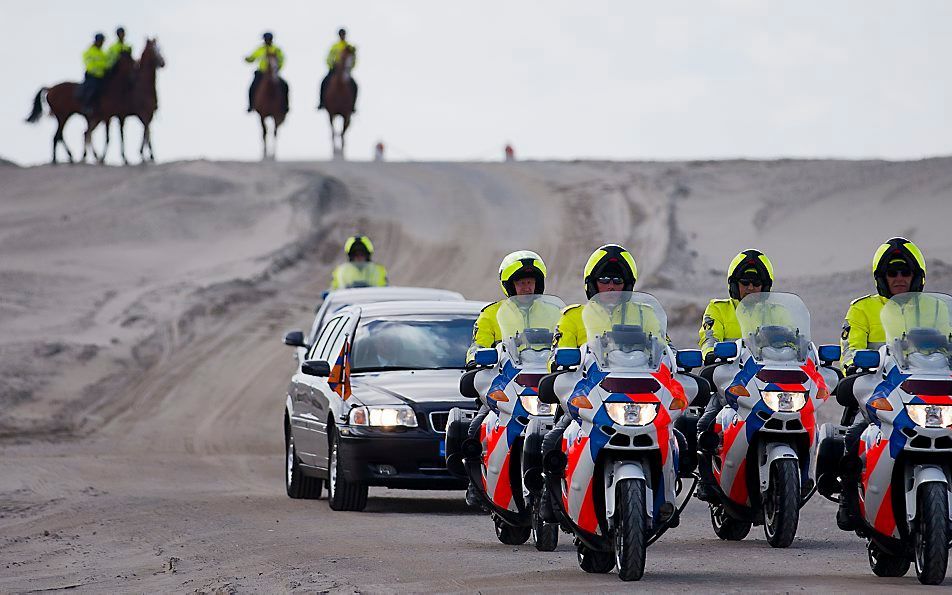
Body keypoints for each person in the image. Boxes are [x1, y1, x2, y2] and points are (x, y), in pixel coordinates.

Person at [538, 244, 639, 518]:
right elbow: (554, 358)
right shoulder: (573, 317)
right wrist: (563, 364)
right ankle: (550, 499)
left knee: (677, 435)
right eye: (604, 280)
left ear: (627, 285)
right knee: (551, 440)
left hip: (636, 397)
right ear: (592, 284)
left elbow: (666, 350)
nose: (610, 286)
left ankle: (666, 496)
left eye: (617, 280)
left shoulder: (645, 314)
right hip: (588, 395)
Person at [836, 237, 926, 529]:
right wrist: (854, 363)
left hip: (926, 392)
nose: (899, 278)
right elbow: (849, 347)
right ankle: (850, 502)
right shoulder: (862, 309)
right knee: (855, 436)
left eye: (905, 272)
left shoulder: (934, 309)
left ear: (916, 276)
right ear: (881, 278)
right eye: (892, 272)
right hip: (880, 389)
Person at [463, 250, 548, 506]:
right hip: (504, 382)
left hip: (542, 386)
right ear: (510, 285)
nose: (526, 287)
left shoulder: (558, 312)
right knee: (476, 426)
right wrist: (475, 359)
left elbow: (569, 344)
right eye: (521, 282)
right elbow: (477, 345)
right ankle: (476, 482)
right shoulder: (491, 314)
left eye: (530, 282)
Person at [693, 249, 775, 501]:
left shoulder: (776, 311)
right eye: (745, 282)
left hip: (770, 383)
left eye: (756, 283)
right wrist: (710, 352)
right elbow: (708, 336)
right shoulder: (718, 309)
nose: (751, 288)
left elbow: (797, 340)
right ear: (734, 285)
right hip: (732, 382)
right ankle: (707, 481)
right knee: (705, 424)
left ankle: (801, 477)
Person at [245, 32, 288, 113]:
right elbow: (253, 57)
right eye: (266, 39)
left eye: (268, 39)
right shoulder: (260, 49)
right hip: (262, 73)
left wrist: (278, 68)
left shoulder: (276, 49)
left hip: (273, 73)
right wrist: (248, 59)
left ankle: (285, 106)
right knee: (252, 87)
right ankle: (251, 105)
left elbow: (282, 59)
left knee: (284, 85)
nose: (267, 41)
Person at [318, 28, 358, 112]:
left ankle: (353, 105)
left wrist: (349, 68)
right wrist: (331, 65)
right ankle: (321, 102)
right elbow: (329, 58)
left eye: (343, 34)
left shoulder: (349, 47)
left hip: (345, 71)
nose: (342, 36)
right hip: (334, 70)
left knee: (354, 85)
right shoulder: (334, 46)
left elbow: (354, 60)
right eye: (341, 34)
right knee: (324, 82)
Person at [79, 33, 110, 115]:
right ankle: (86, 106)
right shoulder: (89, 52)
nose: (101, 43)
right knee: (93, 88)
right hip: (92, 76)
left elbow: (106, 63)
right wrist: (100, 68)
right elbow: (90, 65)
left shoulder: (102, 53)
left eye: (102, 42)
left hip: (101, 76)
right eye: (100, 41)